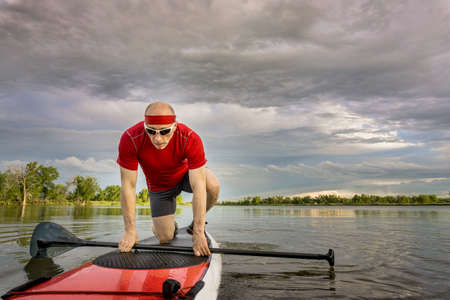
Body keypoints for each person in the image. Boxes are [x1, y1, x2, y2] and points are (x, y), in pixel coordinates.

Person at [116, 102, 220, 256]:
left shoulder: (190, 137)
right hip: (160, 187)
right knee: (165, 237)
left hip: (186, 177)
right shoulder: (130, 138)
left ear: (175, 126)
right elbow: (128, 186)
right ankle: (168, 226)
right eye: (151, 131)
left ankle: (194, 226)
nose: (157, 139)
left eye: (164, 131)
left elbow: (199, 185)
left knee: (212, 184)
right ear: (145, 126)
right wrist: (130, 231)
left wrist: (198, 232)